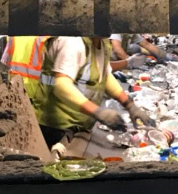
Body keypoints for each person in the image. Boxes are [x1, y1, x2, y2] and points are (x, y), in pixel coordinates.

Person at [2, 36, 156, 153]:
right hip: (56, 126)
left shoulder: (100, 43)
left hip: (77, 124)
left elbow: (105, 76)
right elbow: (61, 85)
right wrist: (97, 111)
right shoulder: (73, 42)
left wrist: (130, 106)